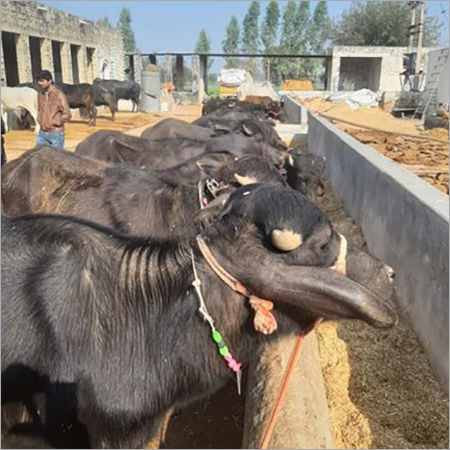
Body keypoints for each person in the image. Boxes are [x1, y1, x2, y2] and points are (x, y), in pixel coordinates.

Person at [35, 69, 71, 149]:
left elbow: (67, 114)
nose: (39, 83)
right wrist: (39, 119)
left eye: (41, 81)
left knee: (55, 160)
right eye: (38, 81)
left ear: (50, 81)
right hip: (42, 133)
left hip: (56, 134)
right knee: (38, 157)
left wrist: (55, 121)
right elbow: (40, 110)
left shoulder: (58, 95)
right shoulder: (40, 94)